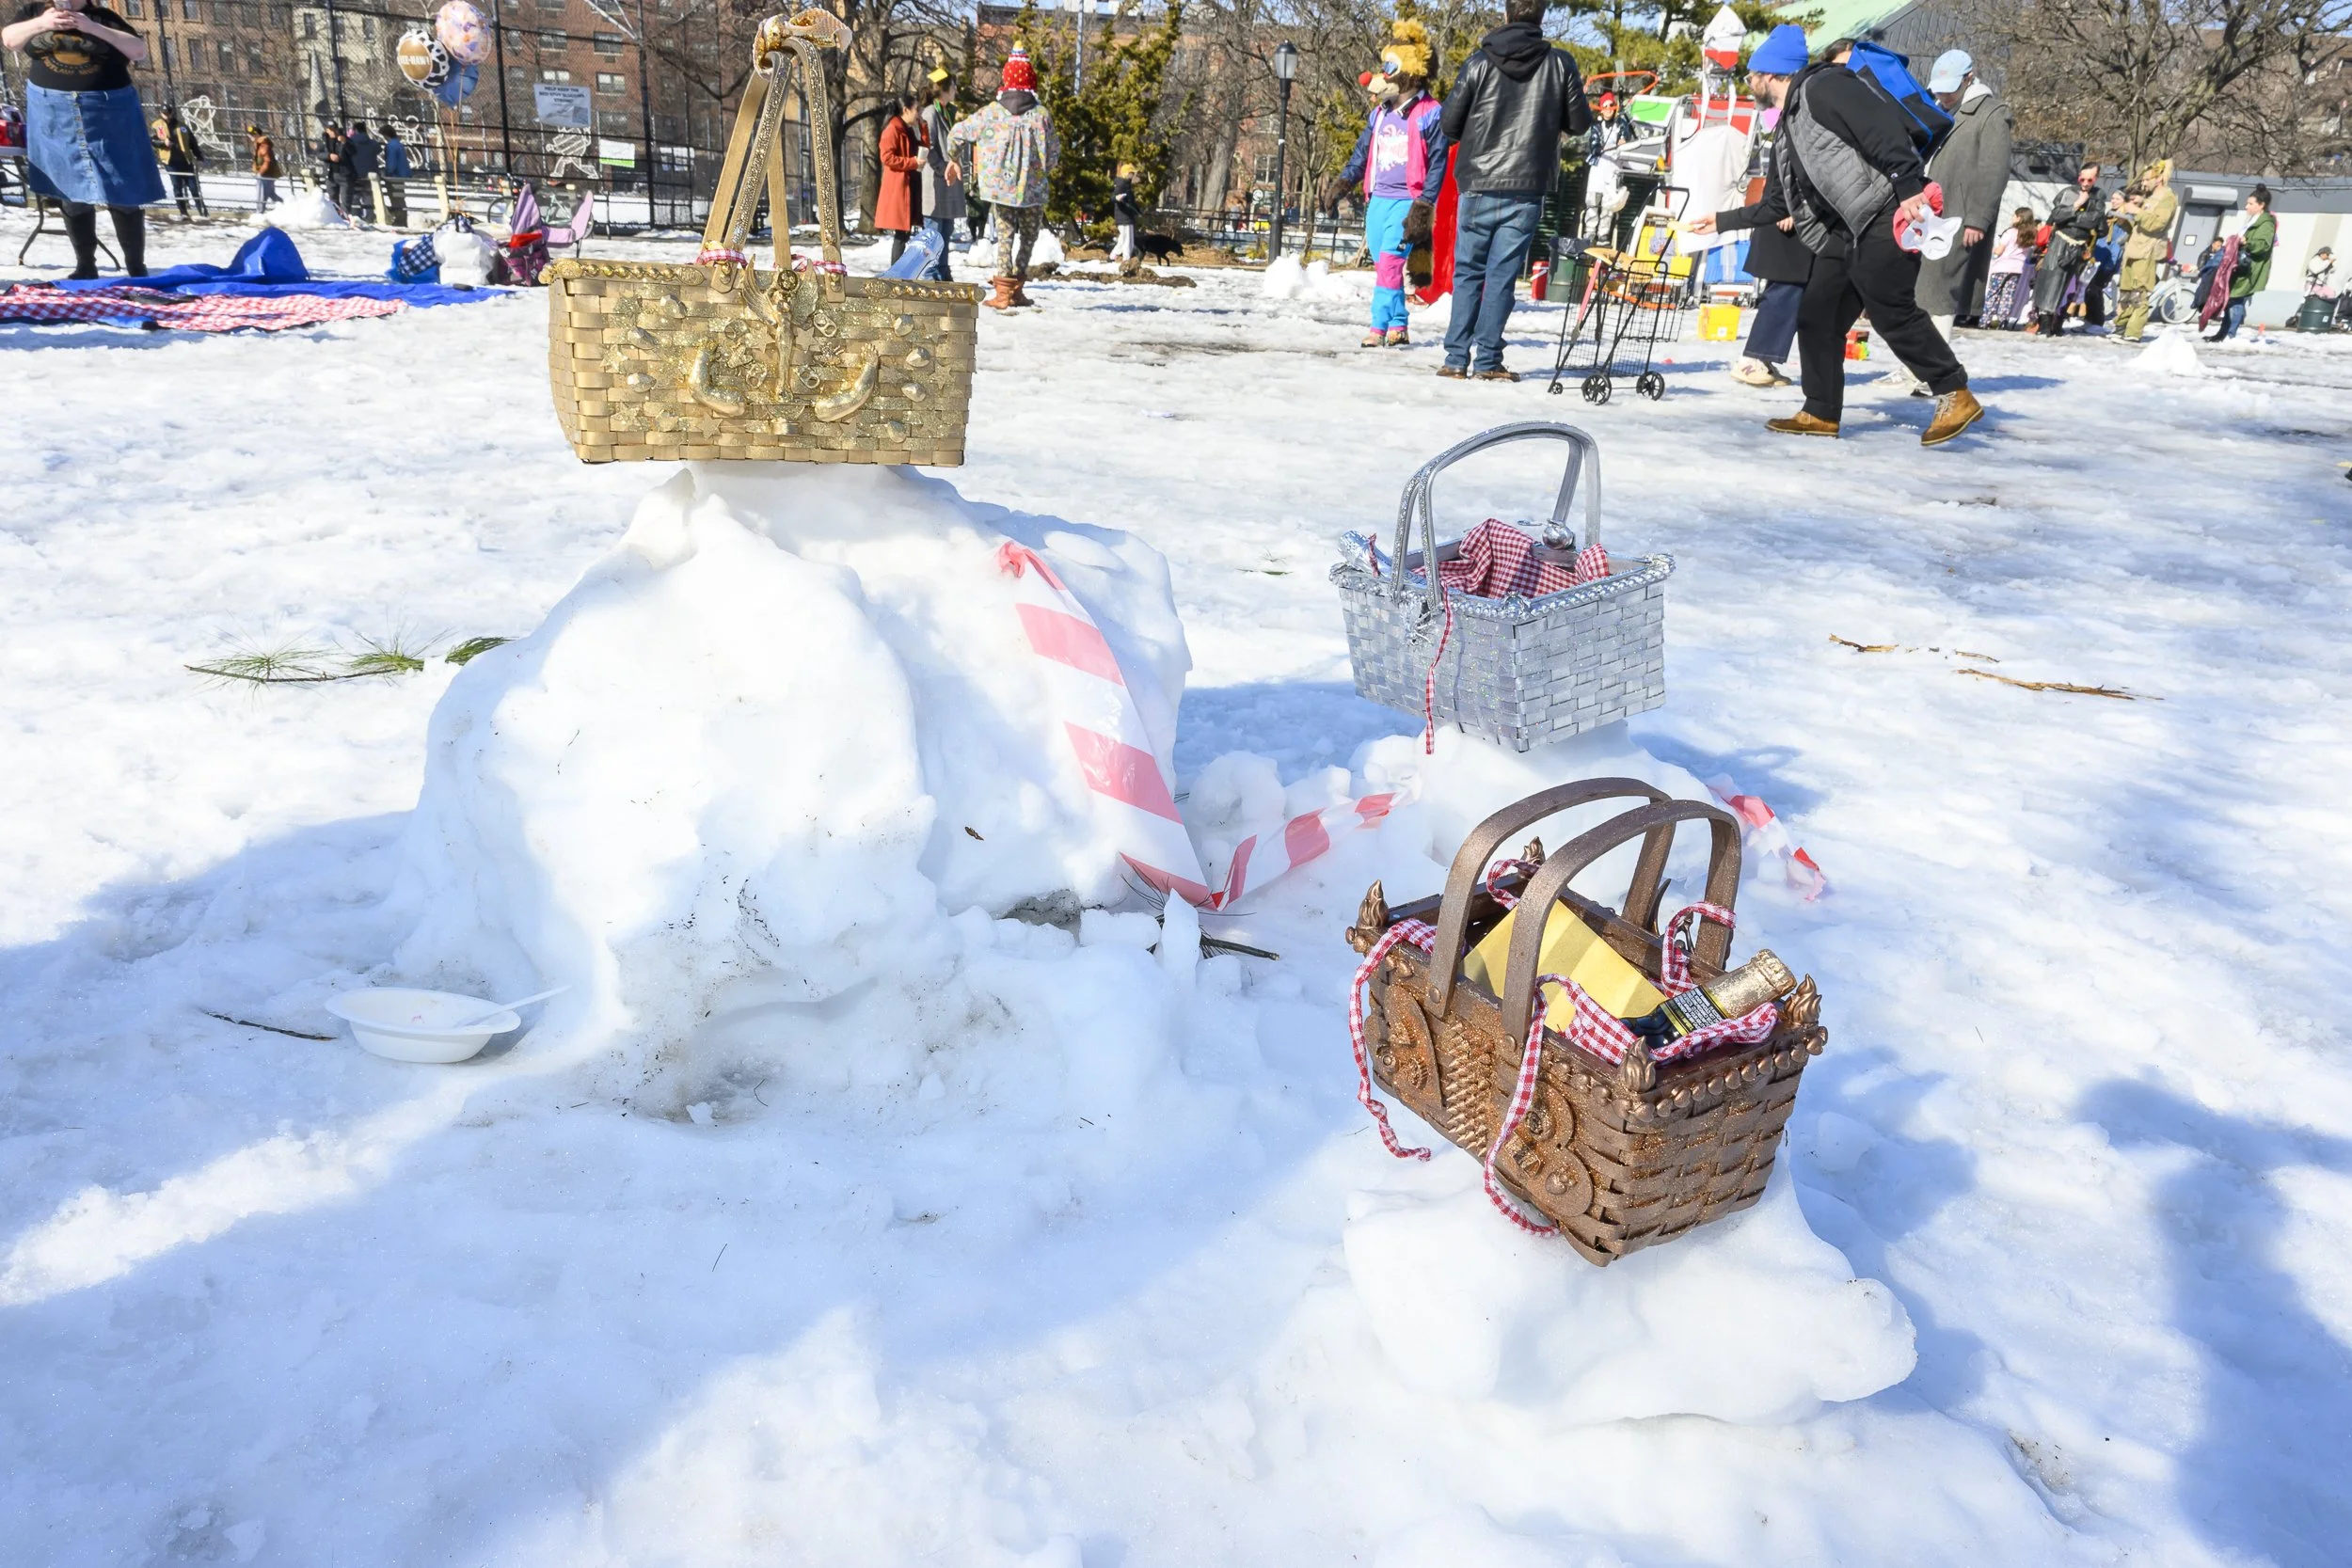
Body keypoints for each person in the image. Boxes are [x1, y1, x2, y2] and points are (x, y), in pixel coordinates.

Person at [1692, 26, 1979, 444]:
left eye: (1751, 75)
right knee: (1817, 316)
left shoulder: (1824, 85)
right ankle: (1820, 411)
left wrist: (1908, 187)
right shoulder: (1789, 126)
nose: (1749, 83)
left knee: (1890, 309)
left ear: (1769, 73)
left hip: (1887, 210)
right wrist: (1721, 221)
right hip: (1848, 228)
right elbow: (1779, 204)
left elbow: (1880, 129)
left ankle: (1954, 392)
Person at [1414, 0, 1589, 381]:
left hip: (1478, 182)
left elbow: (1449, 124)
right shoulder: (1560, 64)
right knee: (1502, 276)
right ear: (1541, 17)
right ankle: (1489, 361)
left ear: (1507, 15)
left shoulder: (1478, 63)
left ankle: (1456, 358)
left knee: (1468, 272)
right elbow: (1579, 123)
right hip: (1527, 186)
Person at [2, 0, 161, 277]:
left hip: (108, 112)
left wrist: (91, 27)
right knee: (71, 190)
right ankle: (85, 265)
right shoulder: (34, 12)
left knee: (122, 188)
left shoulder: (104, 17)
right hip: (54, 112)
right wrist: (44, 24)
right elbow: (10, 40)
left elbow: (138, 51)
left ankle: (137, 266)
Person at [1331, 19, 1444, 349]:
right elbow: (1362, 152)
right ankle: (1399, 323)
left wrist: (1425, 204)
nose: (1383, 73)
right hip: (1377, 200)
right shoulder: (1379, 113)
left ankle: (1377, 327)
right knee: (1384, 268)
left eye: (1391, 67)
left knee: (1392, 264)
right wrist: (1344, 181)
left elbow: (1438, 161)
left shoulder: (1430, 112)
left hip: (1407, 201)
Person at [1903, 49, 2010, 389]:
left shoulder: (1991, 114)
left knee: (1940, 292)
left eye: (1949, 86)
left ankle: (1933, 371)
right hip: (1931, 214)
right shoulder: (1946, 111)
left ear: (1969, 78)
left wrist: (1978, 219)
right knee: (1922, 290)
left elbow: (1994, 170)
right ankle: (1916, 367)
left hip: (1959, 218)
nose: (1942, 93)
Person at [946, 46, 1057, 311]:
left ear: (1007, 81)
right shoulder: (1041, 116)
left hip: (1001, 189)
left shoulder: (991, 113)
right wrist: (1042, 171)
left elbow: (958, 133)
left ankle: (1004, 294)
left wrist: (953, 157)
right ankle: (1017, 290)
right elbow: (1053, 154)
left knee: (1005, 237)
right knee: (1029, 238)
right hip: (1034, 189)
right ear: (1031, 81)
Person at [1704, 135, 1808, 388]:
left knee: (1787, 290)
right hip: (1783, 219)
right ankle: (1754, 360)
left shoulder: (1794, 125)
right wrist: (1791, 208)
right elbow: (1790, 171)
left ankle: (1764, 359)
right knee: (1786, 290)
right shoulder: (1796, 129)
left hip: (1785, 216)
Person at [2030, 162, 2104, 336]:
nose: (2085, 183)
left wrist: (2072, 218)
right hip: (2061, 243)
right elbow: (2056, 215)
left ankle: (2058, 323)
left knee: (2070, 286)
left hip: (2079, 247)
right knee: (2051, 282)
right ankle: (2044, 324)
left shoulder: (2099, 195)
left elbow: (2095, 219)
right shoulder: (2069, 192)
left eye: (2090, 179)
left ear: (2096, 178)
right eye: (2082, 179)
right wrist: (2076, 205)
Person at [2111, 160, 2176, 342]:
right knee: (2126, 291)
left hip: (2147, 250)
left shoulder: (2167, 198)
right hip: (2133, 248)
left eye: (2147, 179)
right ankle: (2121, 327)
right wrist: (2125, 215)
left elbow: (2157, 223)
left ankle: (2133, 332)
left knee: (2139, 293)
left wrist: (2136, 212)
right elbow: (2139, 223)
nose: (2143, 183)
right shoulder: (2149, 198)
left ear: (2159, 179)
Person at [917, 69, 963, 282]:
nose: (956, 90)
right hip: (936, 182)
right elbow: (929, 147)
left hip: (946, 182)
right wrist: (945, 168)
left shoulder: (945, 112)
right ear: (944, 89)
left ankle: (943, 273)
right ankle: (931, 276)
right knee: (934, 232)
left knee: (946, 230)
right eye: (953, 85)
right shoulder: (930, 113)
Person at [2212, 184, 2274, 342]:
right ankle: (2223, 333)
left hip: (2249, 268)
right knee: (2231, 299)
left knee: (2236, 299)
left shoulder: (2266, 223)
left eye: (2251, 204)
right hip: (2241, 266)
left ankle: (2230, 335)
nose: (2246, 207)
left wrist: (2247, 241)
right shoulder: (2253, 220)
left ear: (2261, 205)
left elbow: (2264, 245)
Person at [875, 91, 922, 263]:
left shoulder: (906, 129)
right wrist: (912, 163)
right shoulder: (893, 129)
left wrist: (922, 127)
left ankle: (898, 273)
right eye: (916, 109)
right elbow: (886, 157)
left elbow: (922, 146)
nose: (919, 113)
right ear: (906, 110)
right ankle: (896, 274)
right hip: (899, 188)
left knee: (904, 233)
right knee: (901, 234)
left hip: (907, 187)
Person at [1983, 206, 2034, 327]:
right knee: (2008, 295)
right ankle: (2002, 321)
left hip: (2002, 267)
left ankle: (1986, 320)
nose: (2012, 218)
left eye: (2014, 216)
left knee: (1994, 293)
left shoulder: (2010, 232)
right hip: (2017, 269)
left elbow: (1999, 251)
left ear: (2019, 218)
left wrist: (1994, 250)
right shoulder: (2029, 235)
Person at [153, 103, 204, 217]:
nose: (166, 116)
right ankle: (183, 212)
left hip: (186, 160)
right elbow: (153, 140)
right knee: (177, 186)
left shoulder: (182, 126)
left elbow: (192, 142)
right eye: (164, 113)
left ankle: (202, 211)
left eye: (168, 113)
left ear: (172, 113)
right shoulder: (157, 126)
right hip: (170, 161)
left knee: (193, 187)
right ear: (161, 113)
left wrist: (198, 156)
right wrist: (163, 143)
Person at [343, 119, 378, 221]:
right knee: (368, 197)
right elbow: (378, 148)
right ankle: (370, 217)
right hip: (370, 175)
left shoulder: (350, 143)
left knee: (355, 196)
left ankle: (355, 217)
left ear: (355, 131)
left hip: (354, 174)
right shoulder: (372, 143)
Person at [1110, 161, 1141, 268]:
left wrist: (1138, 211)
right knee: (1127, 240)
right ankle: (1126, 261)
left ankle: (1112, 256)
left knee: (1126, 239)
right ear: (1127, 174)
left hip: (1128, 216)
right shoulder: (1122, 184)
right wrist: (1117, 198)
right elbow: (1113, 197)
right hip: (1123, 217)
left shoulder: (1127, 185)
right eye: (1132, 173)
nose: (1133, 175)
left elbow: (1131, 202)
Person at [380, 124, 410, 226]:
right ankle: (402, 219)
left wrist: (387, 173)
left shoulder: (390, 146)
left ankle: (400, 220)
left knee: (396, 198)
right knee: (400, 197)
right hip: (401, 175)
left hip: (394, 176)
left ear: (386, 135)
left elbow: (391, 163)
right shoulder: (399, 144)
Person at [246, 122, 279, 211]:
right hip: (267, 174)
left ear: (256, 135)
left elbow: (268, 160)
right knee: (271, 194)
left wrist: (261, 173)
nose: (250, 138)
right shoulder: (259, 145)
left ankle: (259, 213)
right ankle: (287, 207)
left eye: (251, 136)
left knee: (261, 196)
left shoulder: (263, 145)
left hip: (265, 175)